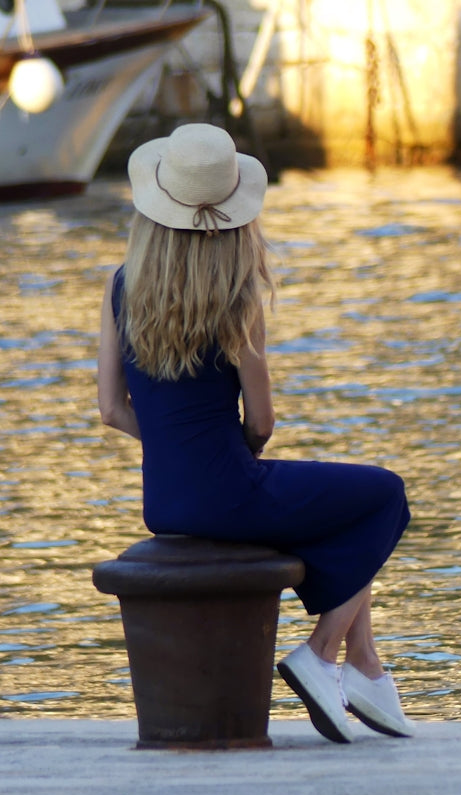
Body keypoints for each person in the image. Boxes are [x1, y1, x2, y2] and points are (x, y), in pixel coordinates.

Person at [96, 123, 413, 743]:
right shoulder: (236, 294)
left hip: (162, 503)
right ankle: (322, 653)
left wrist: (174, 453)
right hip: (231, 490)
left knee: (335, 509)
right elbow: (262, 422)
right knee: (384, 496)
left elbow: (110, 408)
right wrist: (233, 459)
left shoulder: (119, 287)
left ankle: (366, 665)